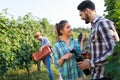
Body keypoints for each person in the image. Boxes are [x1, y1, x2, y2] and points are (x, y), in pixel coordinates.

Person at [77, 0, 120, 80]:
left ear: (87, 11)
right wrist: (91, 55)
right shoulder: (95, 26)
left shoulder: (102, 24)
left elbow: (114, 50)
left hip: (104, 76)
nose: (81, 18)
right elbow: (104, 50)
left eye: (81, 15)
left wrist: (90, 63)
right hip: (97, 75)